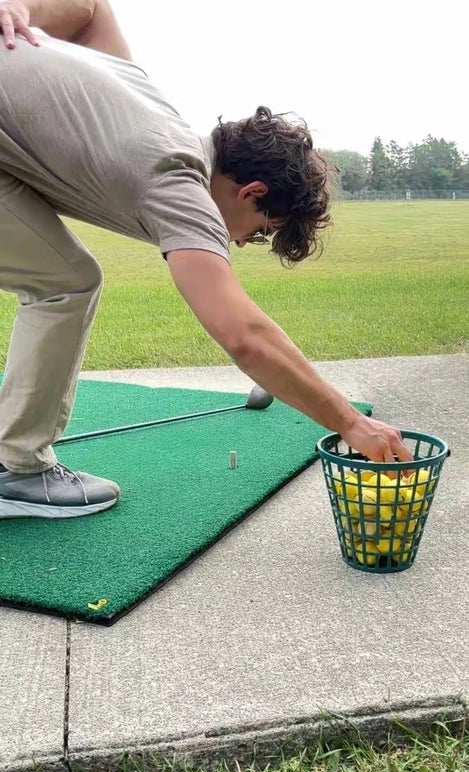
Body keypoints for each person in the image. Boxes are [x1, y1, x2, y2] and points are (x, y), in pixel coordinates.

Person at [0, 0, 414, 520]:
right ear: (252, 191)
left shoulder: (154, 107)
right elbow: (244, 335)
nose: (240, 243)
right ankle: (17, 471)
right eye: (260, 232)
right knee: (66, 285)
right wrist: (351, 423)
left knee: (66, 277)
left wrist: (23, 4)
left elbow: (91, 10)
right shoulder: (177, 182)